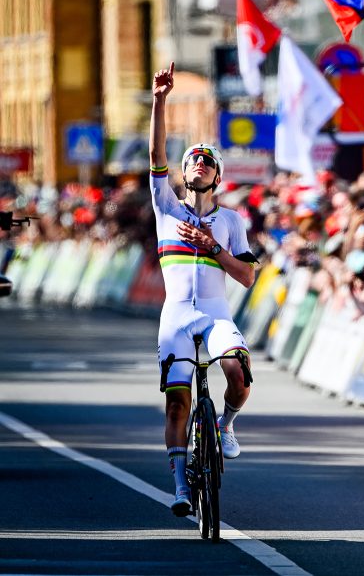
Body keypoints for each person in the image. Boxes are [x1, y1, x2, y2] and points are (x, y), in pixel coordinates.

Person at [149, 63, 259, 516]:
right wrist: (160, 100)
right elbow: (155, 155)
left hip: (216, 314)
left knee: (238, 375)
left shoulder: (231, 221)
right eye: (193, 158)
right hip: (176, 316)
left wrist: (215, 248)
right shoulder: (166, 208)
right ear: (183, 171)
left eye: (207, 161)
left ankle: (225, 424)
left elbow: (248, 277)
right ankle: (179, 487)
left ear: (217, 177)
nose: (199, 163)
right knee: (178, 402)